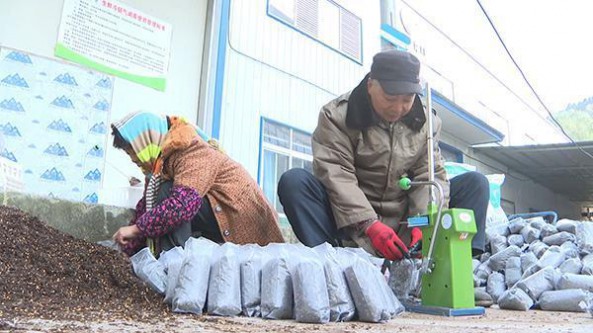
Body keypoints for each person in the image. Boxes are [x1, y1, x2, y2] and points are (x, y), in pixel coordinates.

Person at [277, 50, 489, 261]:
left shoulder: (426, 122)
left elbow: (428, 175)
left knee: (475, 184)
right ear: (371, 85)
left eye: (407, 99)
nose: (398, 108)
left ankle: (458, 265)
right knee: (294, 182)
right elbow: (337, 175)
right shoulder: (336, 117)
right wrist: (369, 225)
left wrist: (424, 222)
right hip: (350, 224)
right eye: (390, 98)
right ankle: (332, 267)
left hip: (405, 224)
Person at [111, 111, 284, 256]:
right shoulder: (159, 165)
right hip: (219, 215)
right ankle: (168, 263)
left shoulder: (192, 151)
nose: (133, 159)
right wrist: (126, 251)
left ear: (145, 140)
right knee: (164, 195)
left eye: (131, 151)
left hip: (247, 225)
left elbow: (182, 205)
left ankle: (172, 265)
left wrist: (136, 229)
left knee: (168, 194)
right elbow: (146, 207)